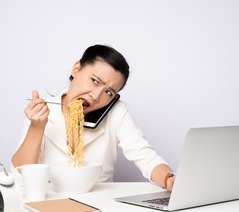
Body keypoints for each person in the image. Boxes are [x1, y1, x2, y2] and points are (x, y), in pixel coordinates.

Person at [12, 44, 176, 191]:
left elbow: (146, 157)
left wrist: (169, 179)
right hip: (50, 204)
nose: (97, 96)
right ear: (76, 69)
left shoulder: (116, 112)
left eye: (109, 92)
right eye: (95, 81)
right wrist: (36, 127)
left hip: (100, 206)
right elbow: (21, 176)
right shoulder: (41, 110)